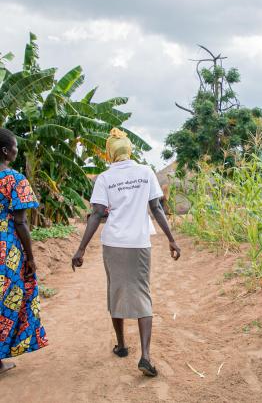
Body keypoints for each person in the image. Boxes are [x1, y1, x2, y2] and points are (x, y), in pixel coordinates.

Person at [72, 128, 180, 377]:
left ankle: (121, 346)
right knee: (143, 294)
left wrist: (81, 248)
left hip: (114, 243)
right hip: (139, 242)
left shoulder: (105, 178)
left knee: (117, 291)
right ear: (129, 150)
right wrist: (171, 240)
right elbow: (156, 208)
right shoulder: (145, 172)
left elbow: (97, 213)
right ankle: (145, 355)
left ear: (110, 153)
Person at [0, 128, 48, 374]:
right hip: (6, 251)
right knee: (7, 303)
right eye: (16, 147)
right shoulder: (15, 179)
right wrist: (30, 257)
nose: (18, 151)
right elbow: (20, 222)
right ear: (5, 151)